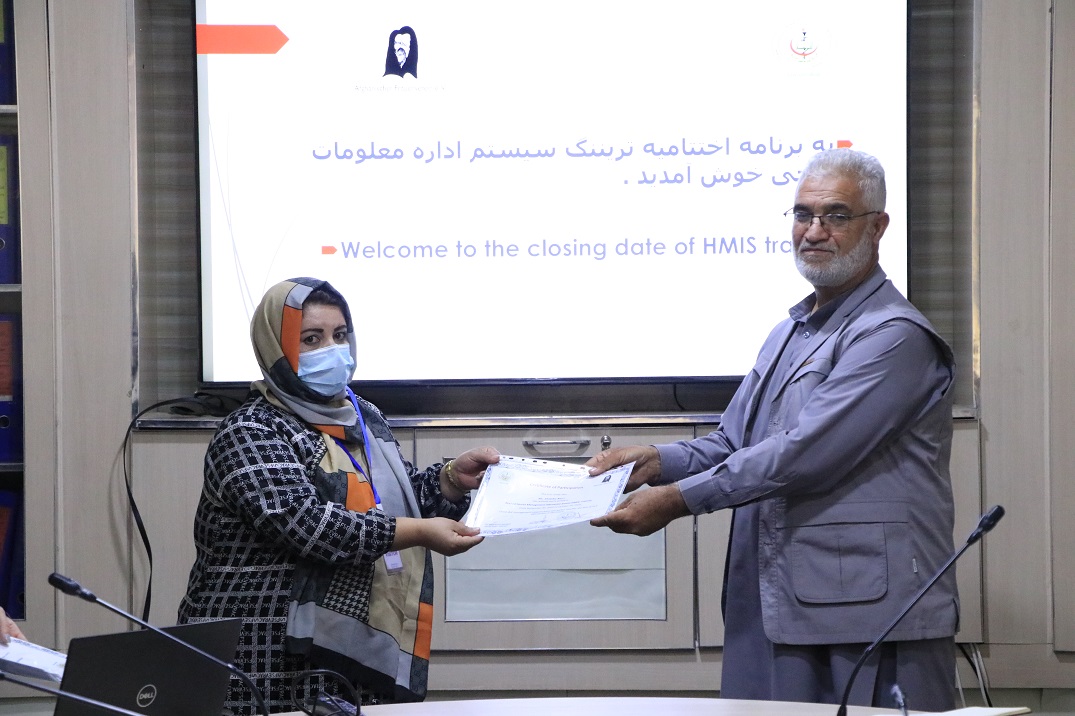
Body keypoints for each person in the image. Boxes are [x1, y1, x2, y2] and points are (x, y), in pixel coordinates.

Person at [588, 149, 958, 711]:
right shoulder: (791, 331)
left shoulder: (894, 336)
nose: (814, 231)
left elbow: (804, 455)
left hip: (864, 616)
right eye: (803, 214)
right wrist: (656, 462)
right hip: (776, 602)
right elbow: (732, 442)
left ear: (878, 227)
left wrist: (677, 500)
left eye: (836, 215)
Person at [178, 277, 498, 714]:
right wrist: (420, 532)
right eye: (312, 339)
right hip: (261, 654)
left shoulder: (361, 416)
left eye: (340, 335)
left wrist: (451, 480)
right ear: (277, 349)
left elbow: (392, 501)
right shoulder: (251, 430)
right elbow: (309, 526)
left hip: (348, 655)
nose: (333, 349)